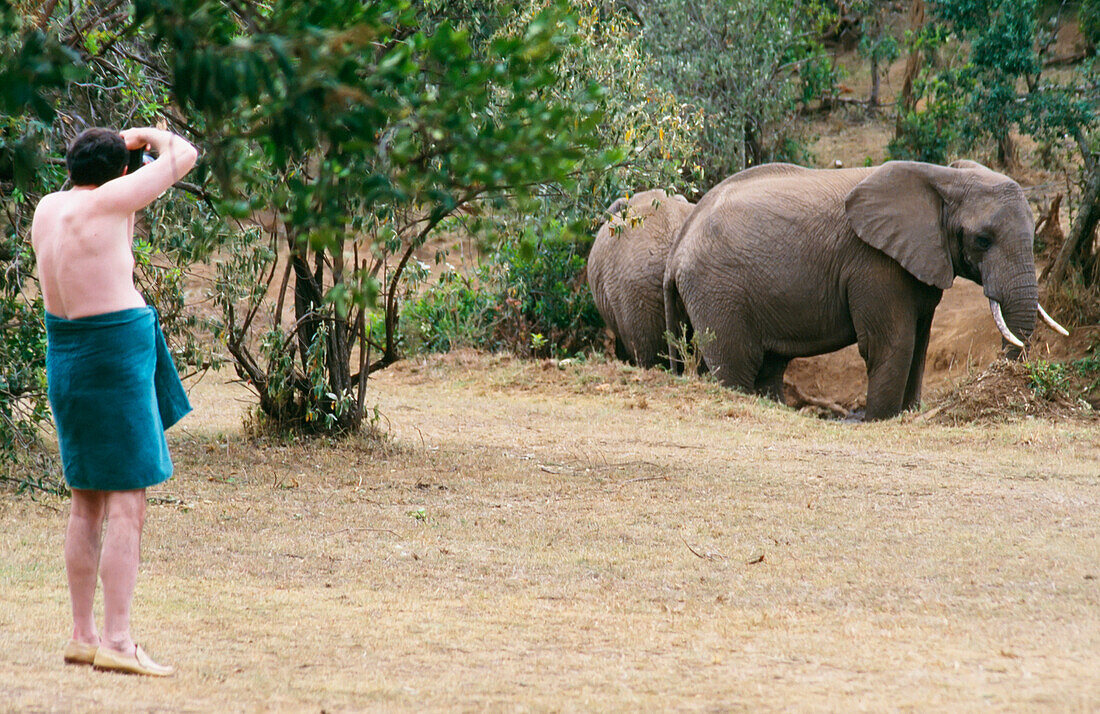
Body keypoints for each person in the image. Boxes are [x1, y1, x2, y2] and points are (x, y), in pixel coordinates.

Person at [31, 126, 198, 676]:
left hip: (67, 355)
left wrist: (109, 149)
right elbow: (184, 154)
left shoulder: (48, 208)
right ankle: (119, 642)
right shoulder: (111, 199)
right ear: (120, 170)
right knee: (128, 499)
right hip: (113, 351)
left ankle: (84, 635)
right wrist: (140, 134)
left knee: (86, 501)